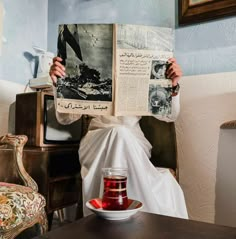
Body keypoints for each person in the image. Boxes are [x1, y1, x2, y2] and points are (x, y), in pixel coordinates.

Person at [49, 56, 188, 219]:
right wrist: (59, 85)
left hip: (134, 143)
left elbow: (170, 117)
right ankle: (141, 223)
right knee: (117, 133)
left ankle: (135, 224)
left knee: (121, 133)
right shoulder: (86, 67)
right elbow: (65, 119)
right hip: (96, 142)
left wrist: (172, 87)